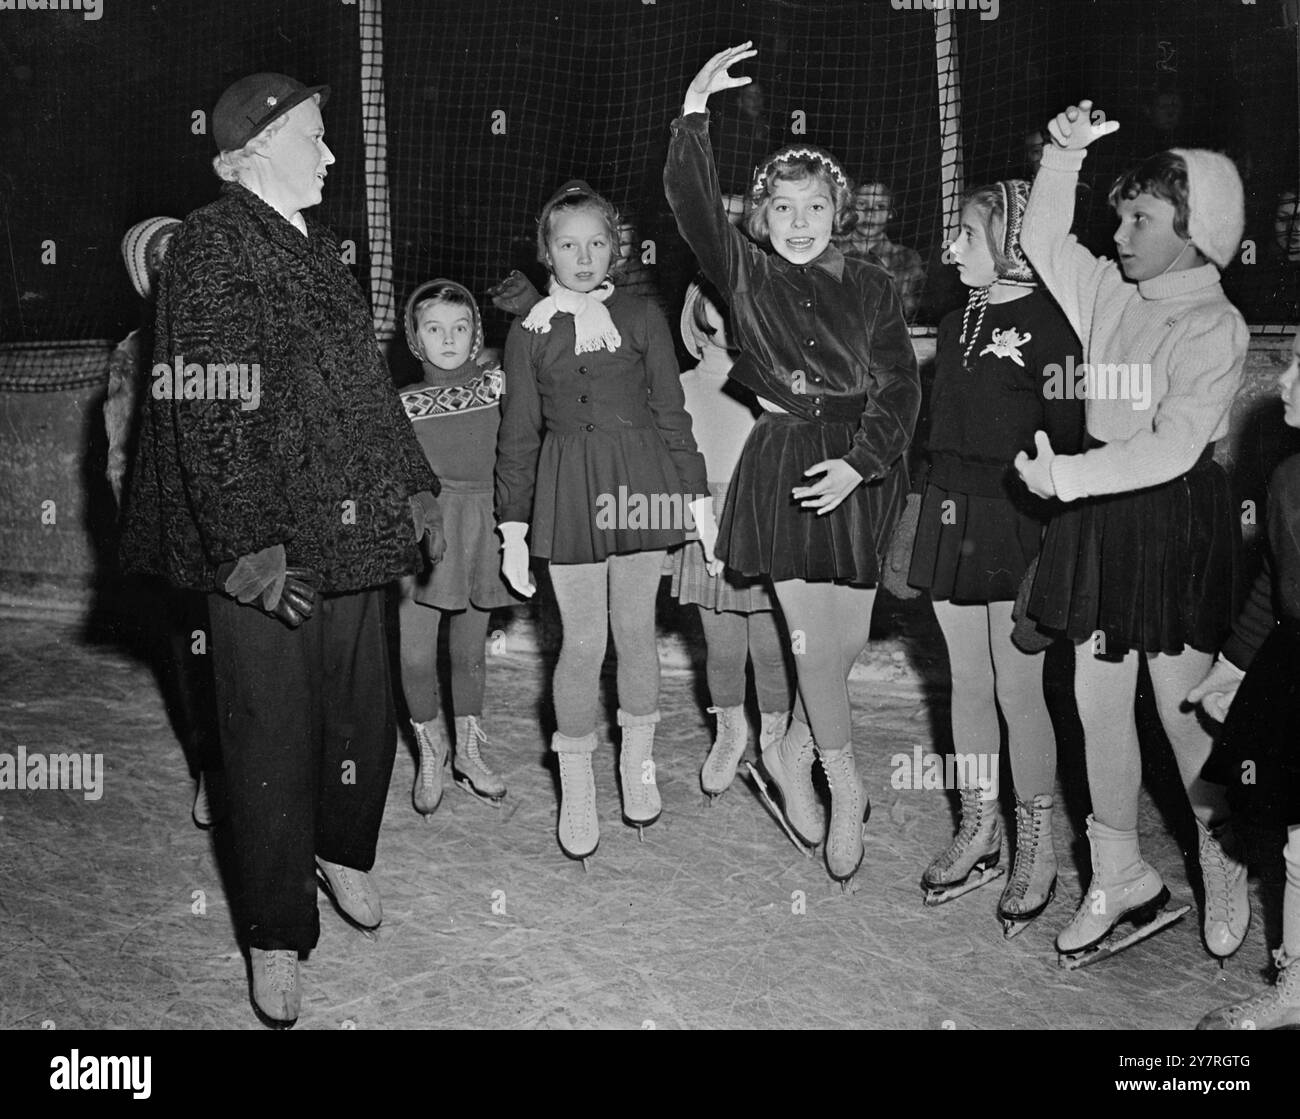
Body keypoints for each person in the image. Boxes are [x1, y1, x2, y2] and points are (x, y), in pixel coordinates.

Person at [121, 73, 442, 1028]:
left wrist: (413, 479)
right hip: (264, 544)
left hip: (347, 520)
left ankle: (341, 848)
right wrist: (248, 552)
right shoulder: (214, 244)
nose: (331, 154)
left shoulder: (311, 242)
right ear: (258, 147)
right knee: (266, 732)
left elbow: (365, 384)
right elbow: (209, 407)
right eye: (315, 136)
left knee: (358, 707)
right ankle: (273, 927)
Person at [665, 43, 921, 885]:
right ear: (760, 217)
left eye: (815, 206)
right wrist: (694, 113)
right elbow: (692, 206)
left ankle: (793, 747)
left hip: (861, 471)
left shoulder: (874, 286)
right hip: (787, 470)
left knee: (843, 645)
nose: (799, 221)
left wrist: (863, 463)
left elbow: (899, 387)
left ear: (837, 212)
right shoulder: (746, 278)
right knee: (811, 643)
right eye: (782, 207)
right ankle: (843, 786)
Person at [1014, 100, 1251, 966]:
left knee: (1182, 707)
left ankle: (1223, 850)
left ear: (1197, 232)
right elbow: (1044, 240)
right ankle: (1119, 872)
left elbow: (1173, 444)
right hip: (1102, 517)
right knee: (1096, 700)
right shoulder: (1112, 292)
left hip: (1171, 518)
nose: (1118, 234)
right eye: (1119, 216)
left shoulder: (1215, 325)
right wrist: (1062, 157)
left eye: (1140, 219)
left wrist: (1068, 478)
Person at [495, 179, 718, 865]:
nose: (584, 257)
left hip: (642, 484)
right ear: (546, 252)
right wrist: (512, 528)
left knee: (636, 633)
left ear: (616, 248)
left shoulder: (643, 315)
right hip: (569, 491)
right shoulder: (529, 331)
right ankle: (577, 782)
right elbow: (518, 434)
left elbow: (672, 413)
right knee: (584, 640)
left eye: (597, 243)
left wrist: (697, 500)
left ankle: (637, 765)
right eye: (568, 245)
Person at [904, 180, 1083, 935]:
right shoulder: (954, 323)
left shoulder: (1055, 327)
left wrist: (1057, 531)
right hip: (952, 513)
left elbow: (1069, 441)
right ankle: (981, 826)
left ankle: (1037, 843)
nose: (952, 249)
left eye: (968, 236)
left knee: (1019, 687)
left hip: (1018, 518)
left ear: (1011, 243)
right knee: (967, 683)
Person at [1189, 333, 1300, 1028]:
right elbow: (1274, 585)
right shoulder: (1288, 477)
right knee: (1298, 839)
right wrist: (1229, 667)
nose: (1282, 379)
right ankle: (1297, 985)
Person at [109, 216, 224, 829]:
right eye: (162, 260)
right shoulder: (136, 351)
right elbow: (120, 455)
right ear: (145, 280)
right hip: (180, 532)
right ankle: (211, 769)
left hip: (244, 525)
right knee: (193, 653)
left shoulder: (238, 327)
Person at [669, 279, 795, 798]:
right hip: (705, 519)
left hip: (760, 519)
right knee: (721, 649)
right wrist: (696, 526)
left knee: (771, 647)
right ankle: (729, 731)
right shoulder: (678, 385)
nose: (731, 316)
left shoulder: (771, 380)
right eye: (719, 307)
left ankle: (777, 740)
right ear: (699, 317)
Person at [398, 279, 517, 814]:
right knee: (414, 653)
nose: (448, 339)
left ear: (476, 335)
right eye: (434, 328)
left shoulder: (498, 387)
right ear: (414, 339)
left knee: (469, 651)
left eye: (460, 327)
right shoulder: (401, 404)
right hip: (426, 528)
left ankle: (468, 752)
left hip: (484, 523)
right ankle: (430, 748)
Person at [834, 181, 926, 320]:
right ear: (850, 209)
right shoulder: (831, 250)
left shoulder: (906, 258)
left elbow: (909, 310)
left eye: (880, 206)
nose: (870, 213)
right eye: (862, 204)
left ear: (890, 213)